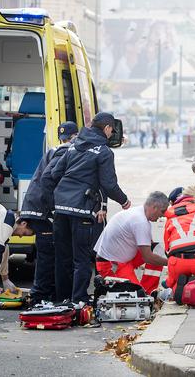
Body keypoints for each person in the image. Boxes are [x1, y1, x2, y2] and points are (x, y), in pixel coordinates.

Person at [50, 112, 130, 303]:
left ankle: (62, 299)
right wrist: (124, 201)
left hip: (60, 208)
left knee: (63, 258)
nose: (111, 135)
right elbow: (109, 184)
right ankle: (78, 299)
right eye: (112, 131)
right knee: (82, 259)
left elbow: (54, 173)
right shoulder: (104, 152)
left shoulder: (73, 147)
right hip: (82, 211)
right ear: (107, 128)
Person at [17, 121, 78, 304]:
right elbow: (50, 179)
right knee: (47, 255)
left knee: (48, 253)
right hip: (42, 211)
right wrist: (53, 207)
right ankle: (40, 296)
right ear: (75, 136)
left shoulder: (54, 149)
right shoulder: (65, 151)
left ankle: (45, 293)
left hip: (36, 207)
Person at [94, 192, 169, 294]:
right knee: (137, 295)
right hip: (111, 265)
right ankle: (143, 293)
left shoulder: (138, 212)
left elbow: (149, 246)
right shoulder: (140, 222)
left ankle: (148, 291)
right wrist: (171, 263)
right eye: (162, 211)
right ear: (154, 207)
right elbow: (148, 257)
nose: (163, 216)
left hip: (120, 258)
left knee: (156, 250)